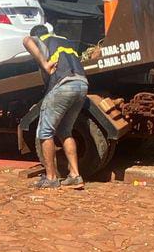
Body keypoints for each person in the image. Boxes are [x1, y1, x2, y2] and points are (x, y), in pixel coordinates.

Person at [23, 24, 99, 190]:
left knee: (45, 132)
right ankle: (75, 175)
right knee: (65, 131)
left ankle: (51, 178)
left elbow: (27, 40)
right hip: (81, 84)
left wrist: (44, 64)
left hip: (63, 85)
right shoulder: (65, 41)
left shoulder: (41, 39)